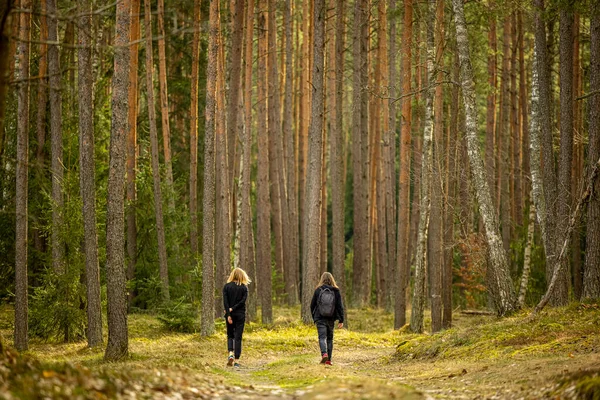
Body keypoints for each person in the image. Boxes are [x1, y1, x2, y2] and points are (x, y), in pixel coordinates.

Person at [310, 272, 344, 365]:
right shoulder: (336, 291)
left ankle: (324, 354)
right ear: (332, 279)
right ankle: (329, 360)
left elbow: (312, 305)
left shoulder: (318, 290)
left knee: (322, 337)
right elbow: (339, 306)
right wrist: (341, 320)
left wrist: (314, 317)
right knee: (329, 339)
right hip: (331, 318)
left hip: (320, 318)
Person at [223, 267, 251, 368]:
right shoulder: (244, 288)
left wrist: (229, 314)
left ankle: (230, 353)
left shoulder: (226, 287)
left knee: (230, 335)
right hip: (240, 315)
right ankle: (237, 361)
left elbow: (225, 302)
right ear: (242, 276)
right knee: (238, 337)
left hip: (230, 315)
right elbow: (242, 302)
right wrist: (233, 309)